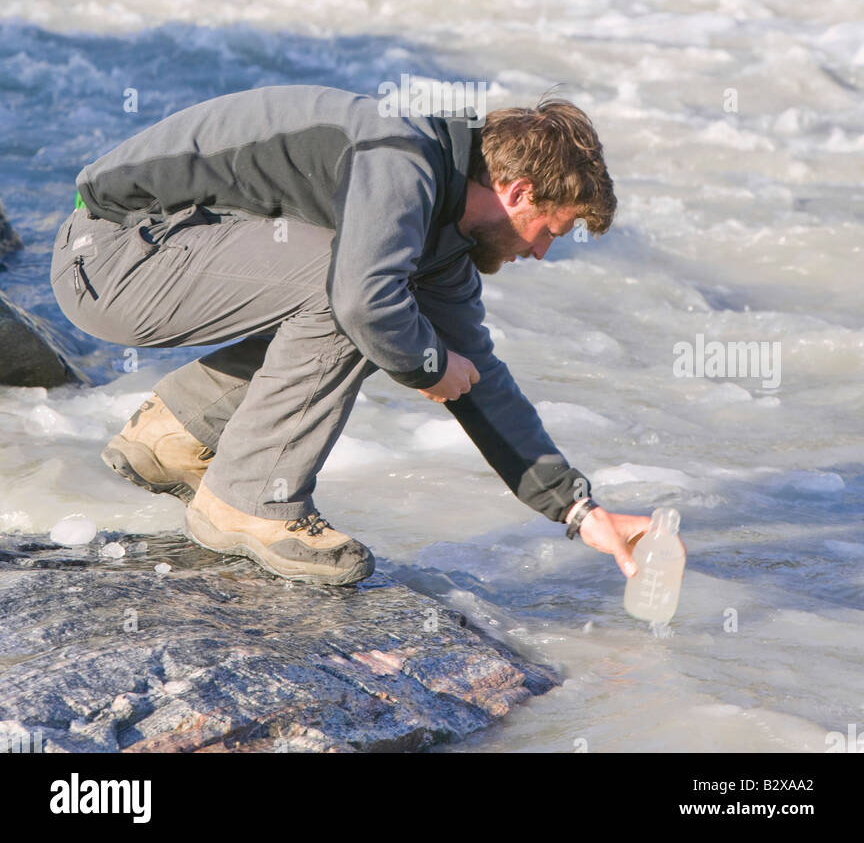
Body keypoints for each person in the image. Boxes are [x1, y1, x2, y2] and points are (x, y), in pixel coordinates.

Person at [51, 84, 650, 585]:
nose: (543, 253)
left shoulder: (441, 231)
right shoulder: (400, 156)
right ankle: (250, 500)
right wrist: (426, 364)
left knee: (381, 296)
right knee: (366, 293)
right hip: (111, 253)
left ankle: (176, 434)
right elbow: (365, 301)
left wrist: (577, 508)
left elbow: (477, 372)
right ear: (518, 194)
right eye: (552, 230)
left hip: (157, 254)